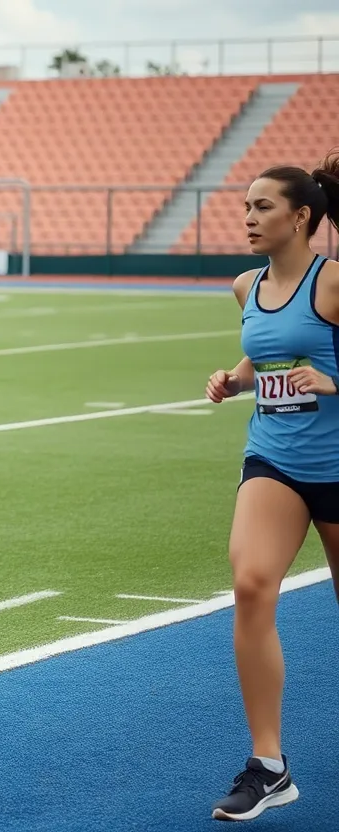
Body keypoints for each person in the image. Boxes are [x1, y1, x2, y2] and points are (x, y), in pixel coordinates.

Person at [204, 150, 339, 822]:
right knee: (252, 583)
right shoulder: (244, 287)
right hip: (275, 460)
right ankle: (269, 766)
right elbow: (269, 351)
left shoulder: (334, 282)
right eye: (245, 207)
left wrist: (336, 382)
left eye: (263, 207)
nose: (249, 218)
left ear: (302, 216)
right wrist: (237, 378)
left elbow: (320, 360)